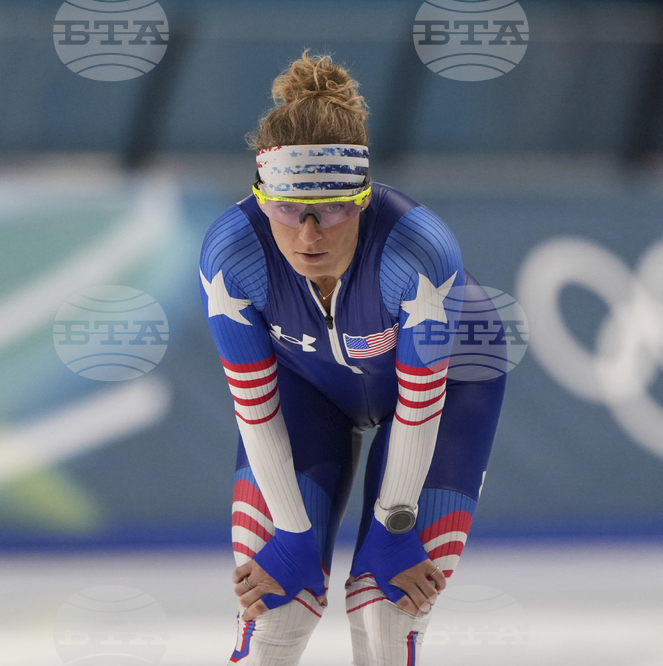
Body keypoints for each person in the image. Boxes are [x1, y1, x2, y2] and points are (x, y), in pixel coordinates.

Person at [198, 50, 506, 665]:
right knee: (272, 612)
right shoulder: (232, 258)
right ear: (261, 201)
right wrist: (290, 536)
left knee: (387, 611)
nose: (310, 236)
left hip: (451, 386)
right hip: (304, 389)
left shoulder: (417, 250)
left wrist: (397, 530)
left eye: (333, 209)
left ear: (364, 199)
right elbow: (255, 413)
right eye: (288, 210)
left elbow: (420, 408)